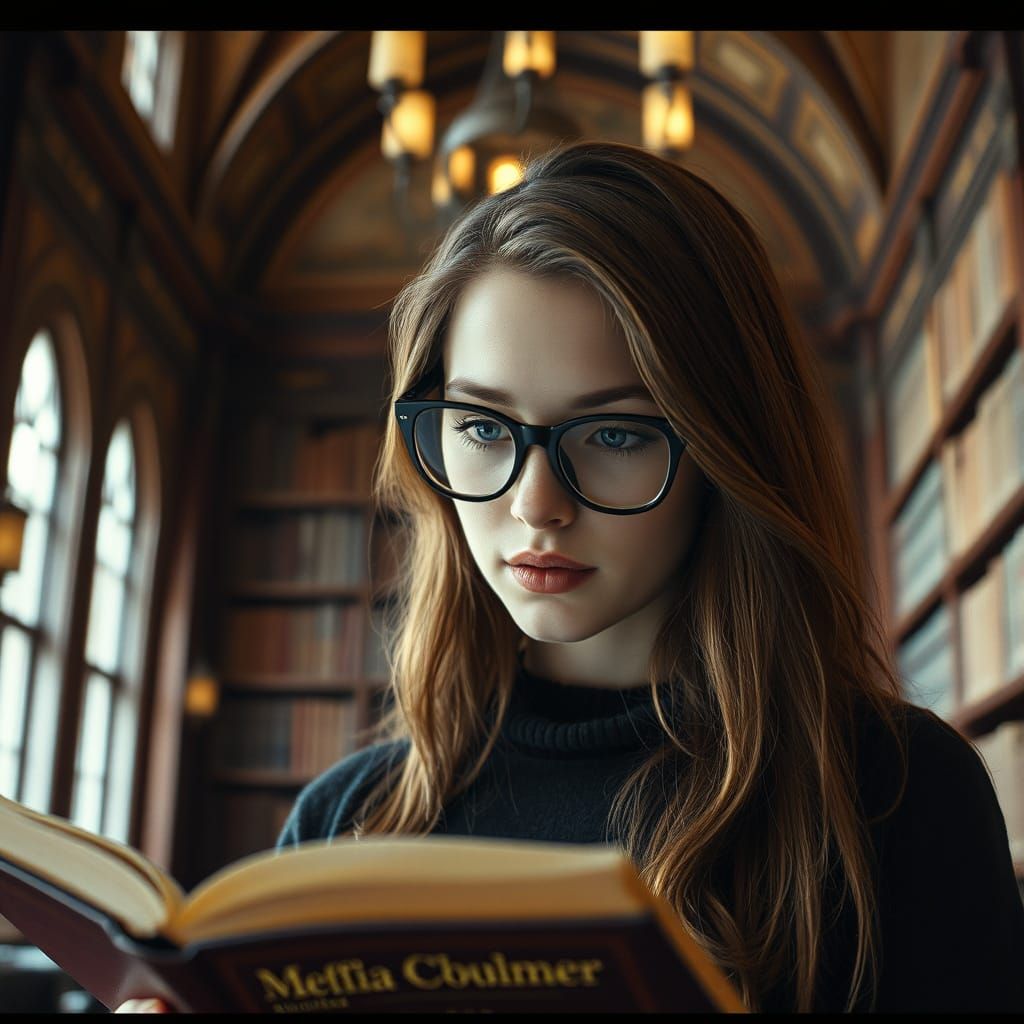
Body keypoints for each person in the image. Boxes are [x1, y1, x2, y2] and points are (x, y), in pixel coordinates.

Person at [117, 140, 1024, 1014]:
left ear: (726, 450)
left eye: (617, 433)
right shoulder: (345, 822)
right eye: (480, 427)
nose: (536, 504)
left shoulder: (896, 802)